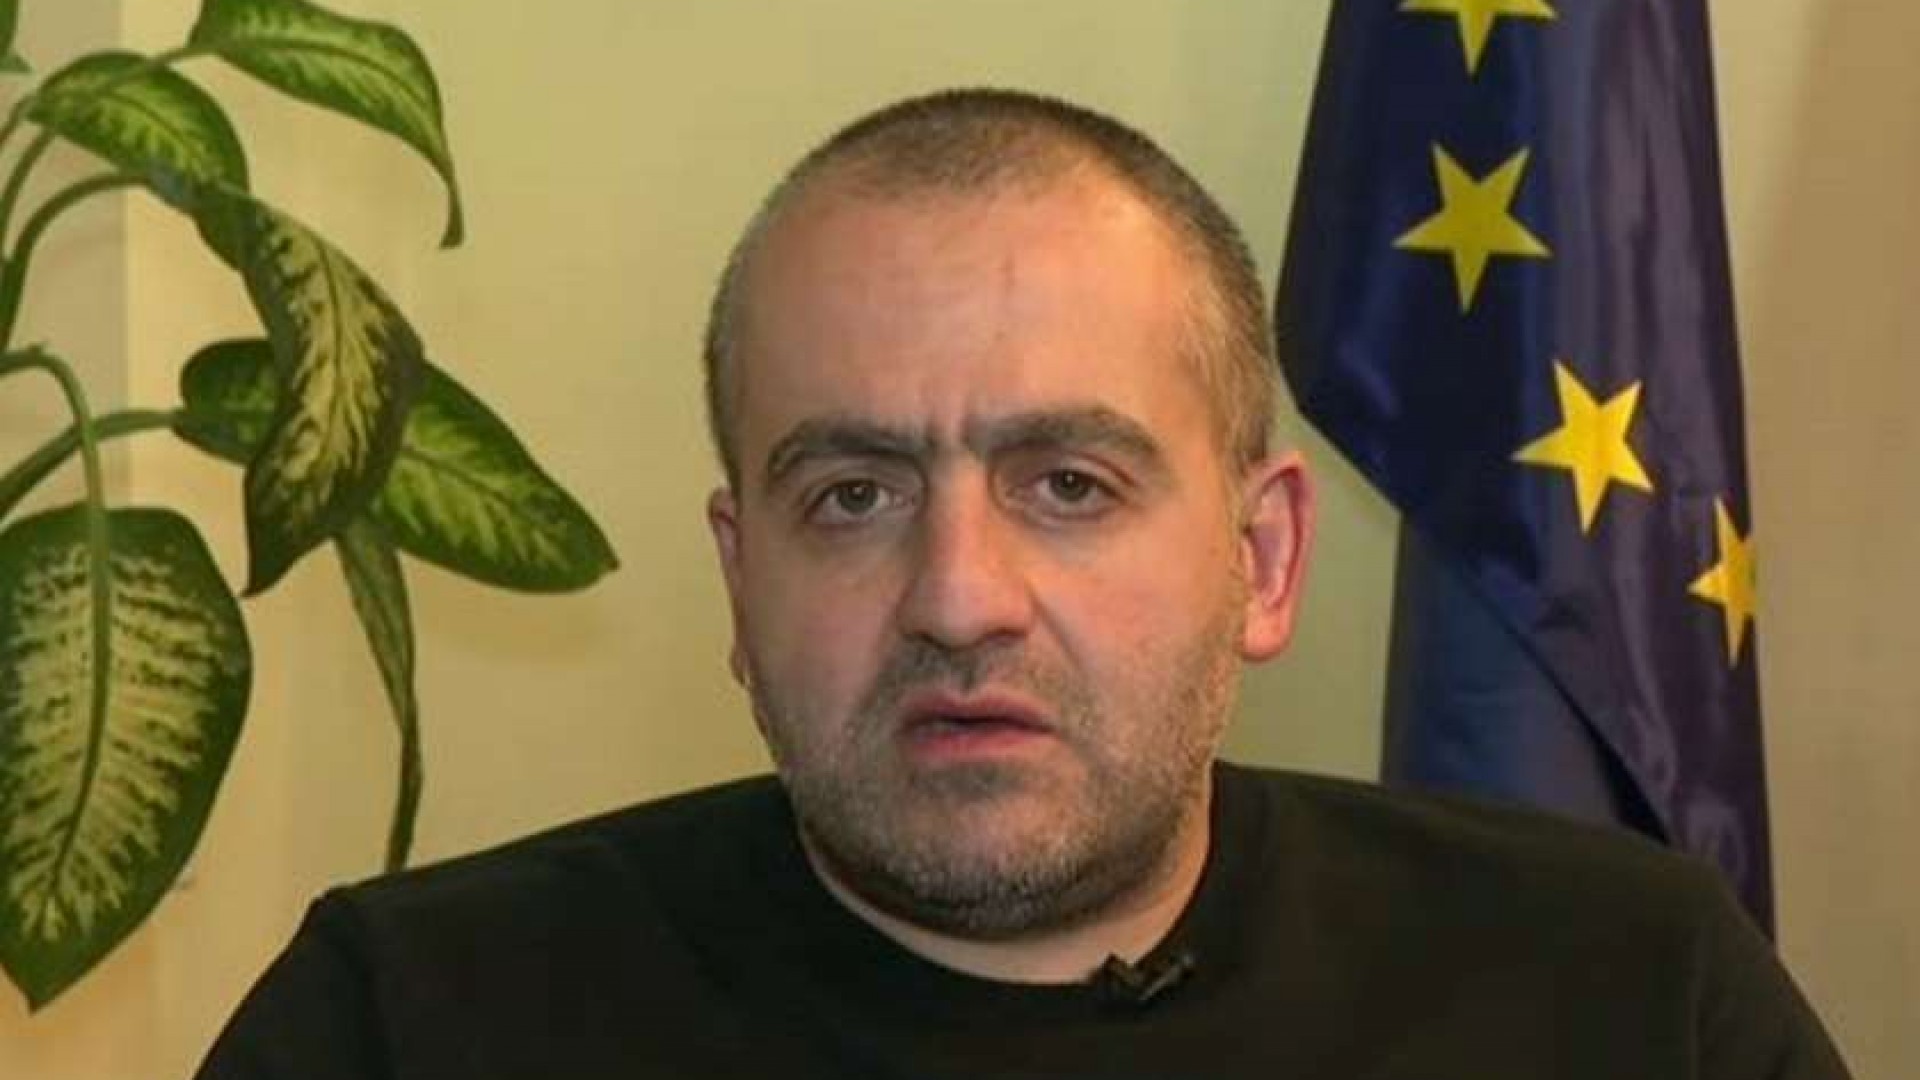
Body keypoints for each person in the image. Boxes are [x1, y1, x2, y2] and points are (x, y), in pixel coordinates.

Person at [196, 88, 1850, 1079]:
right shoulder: (404, 1026)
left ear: (1262, 558)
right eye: (852, 496)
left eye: (1070, 485)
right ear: (740, 580)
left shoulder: (1632, 997)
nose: (960, 598)